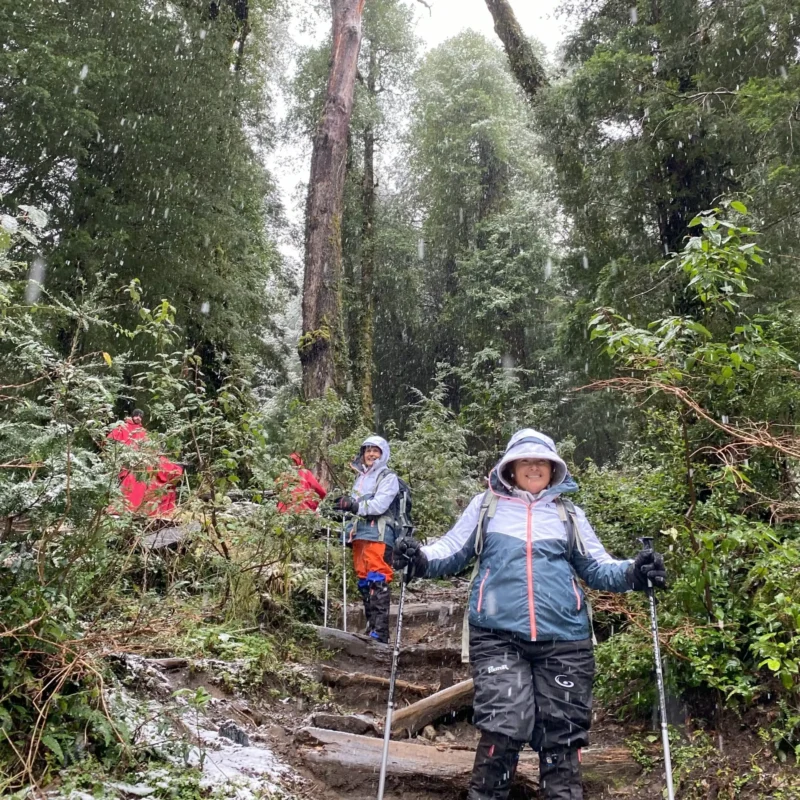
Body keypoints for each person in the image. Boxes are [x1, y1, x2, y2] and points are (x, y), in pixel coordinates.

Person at [393, 428, 667, 800]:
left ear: (554, 469)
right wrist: (418, 558)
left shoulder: (567, 513)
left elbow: (599, 567)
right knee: (504, 725)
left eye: (542, 461)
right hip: (497, 636)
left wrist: (636, 572)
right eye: (527, 460)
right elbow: (451, 549)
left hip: (566, 640)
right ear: (510, 467)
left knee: (563, 736)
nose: (535, 467)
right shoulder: (486, 506)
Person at [333, 435, 400, 643]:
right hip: (359, 535)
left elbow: (379, 505)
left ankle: (380, 634)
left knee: (377, 578)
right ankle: (371, 628)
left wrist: (354, 506)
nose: (371, 454)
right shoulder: (360, 477)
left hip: (379, 534)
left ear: (383, 453)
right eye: (367, 450)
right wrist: (342, 512)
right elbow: (355, 507)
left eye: (375, 450)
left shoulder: (388, 477)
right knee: (363, 580)